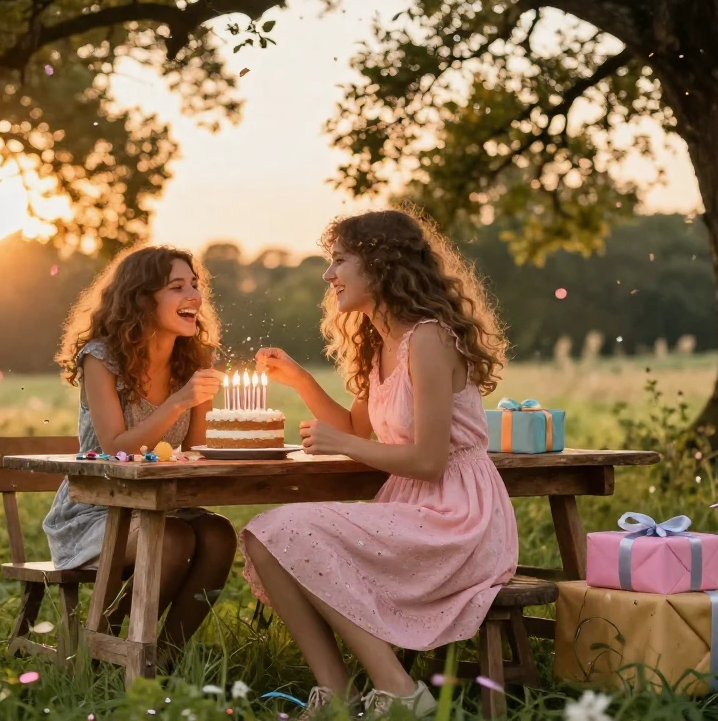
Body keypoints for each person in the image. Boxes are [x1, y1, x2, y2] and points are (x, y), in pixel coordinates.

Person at [248, 210, 518, 719]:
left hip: (458, 516)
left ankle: (398, 691)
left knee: (284, 529)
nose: (329, 275)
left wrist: (341, 445)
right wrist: (302, 382)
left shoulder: (429, 339)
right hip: (411, 507)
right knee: (265, 537)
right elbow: (356, 430)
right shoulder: (380, 344)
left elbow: (429, 460)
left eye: (340, 261)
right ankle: (337, 694)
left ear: (380, 264)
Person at [42, 246, 236, 653]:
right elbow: (116, 448)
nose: (194, 296)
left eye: (195, 285)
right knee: (171, 539)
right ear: (142, 298)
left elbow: (196, 449)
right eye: (177, 287)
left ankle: (164, 659)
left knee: (218, 534)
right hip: (97, 509)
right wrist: (178, 402)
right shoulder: (101, 358)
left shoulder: (195, 360)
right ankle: (103, 648)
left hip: (159, 503)